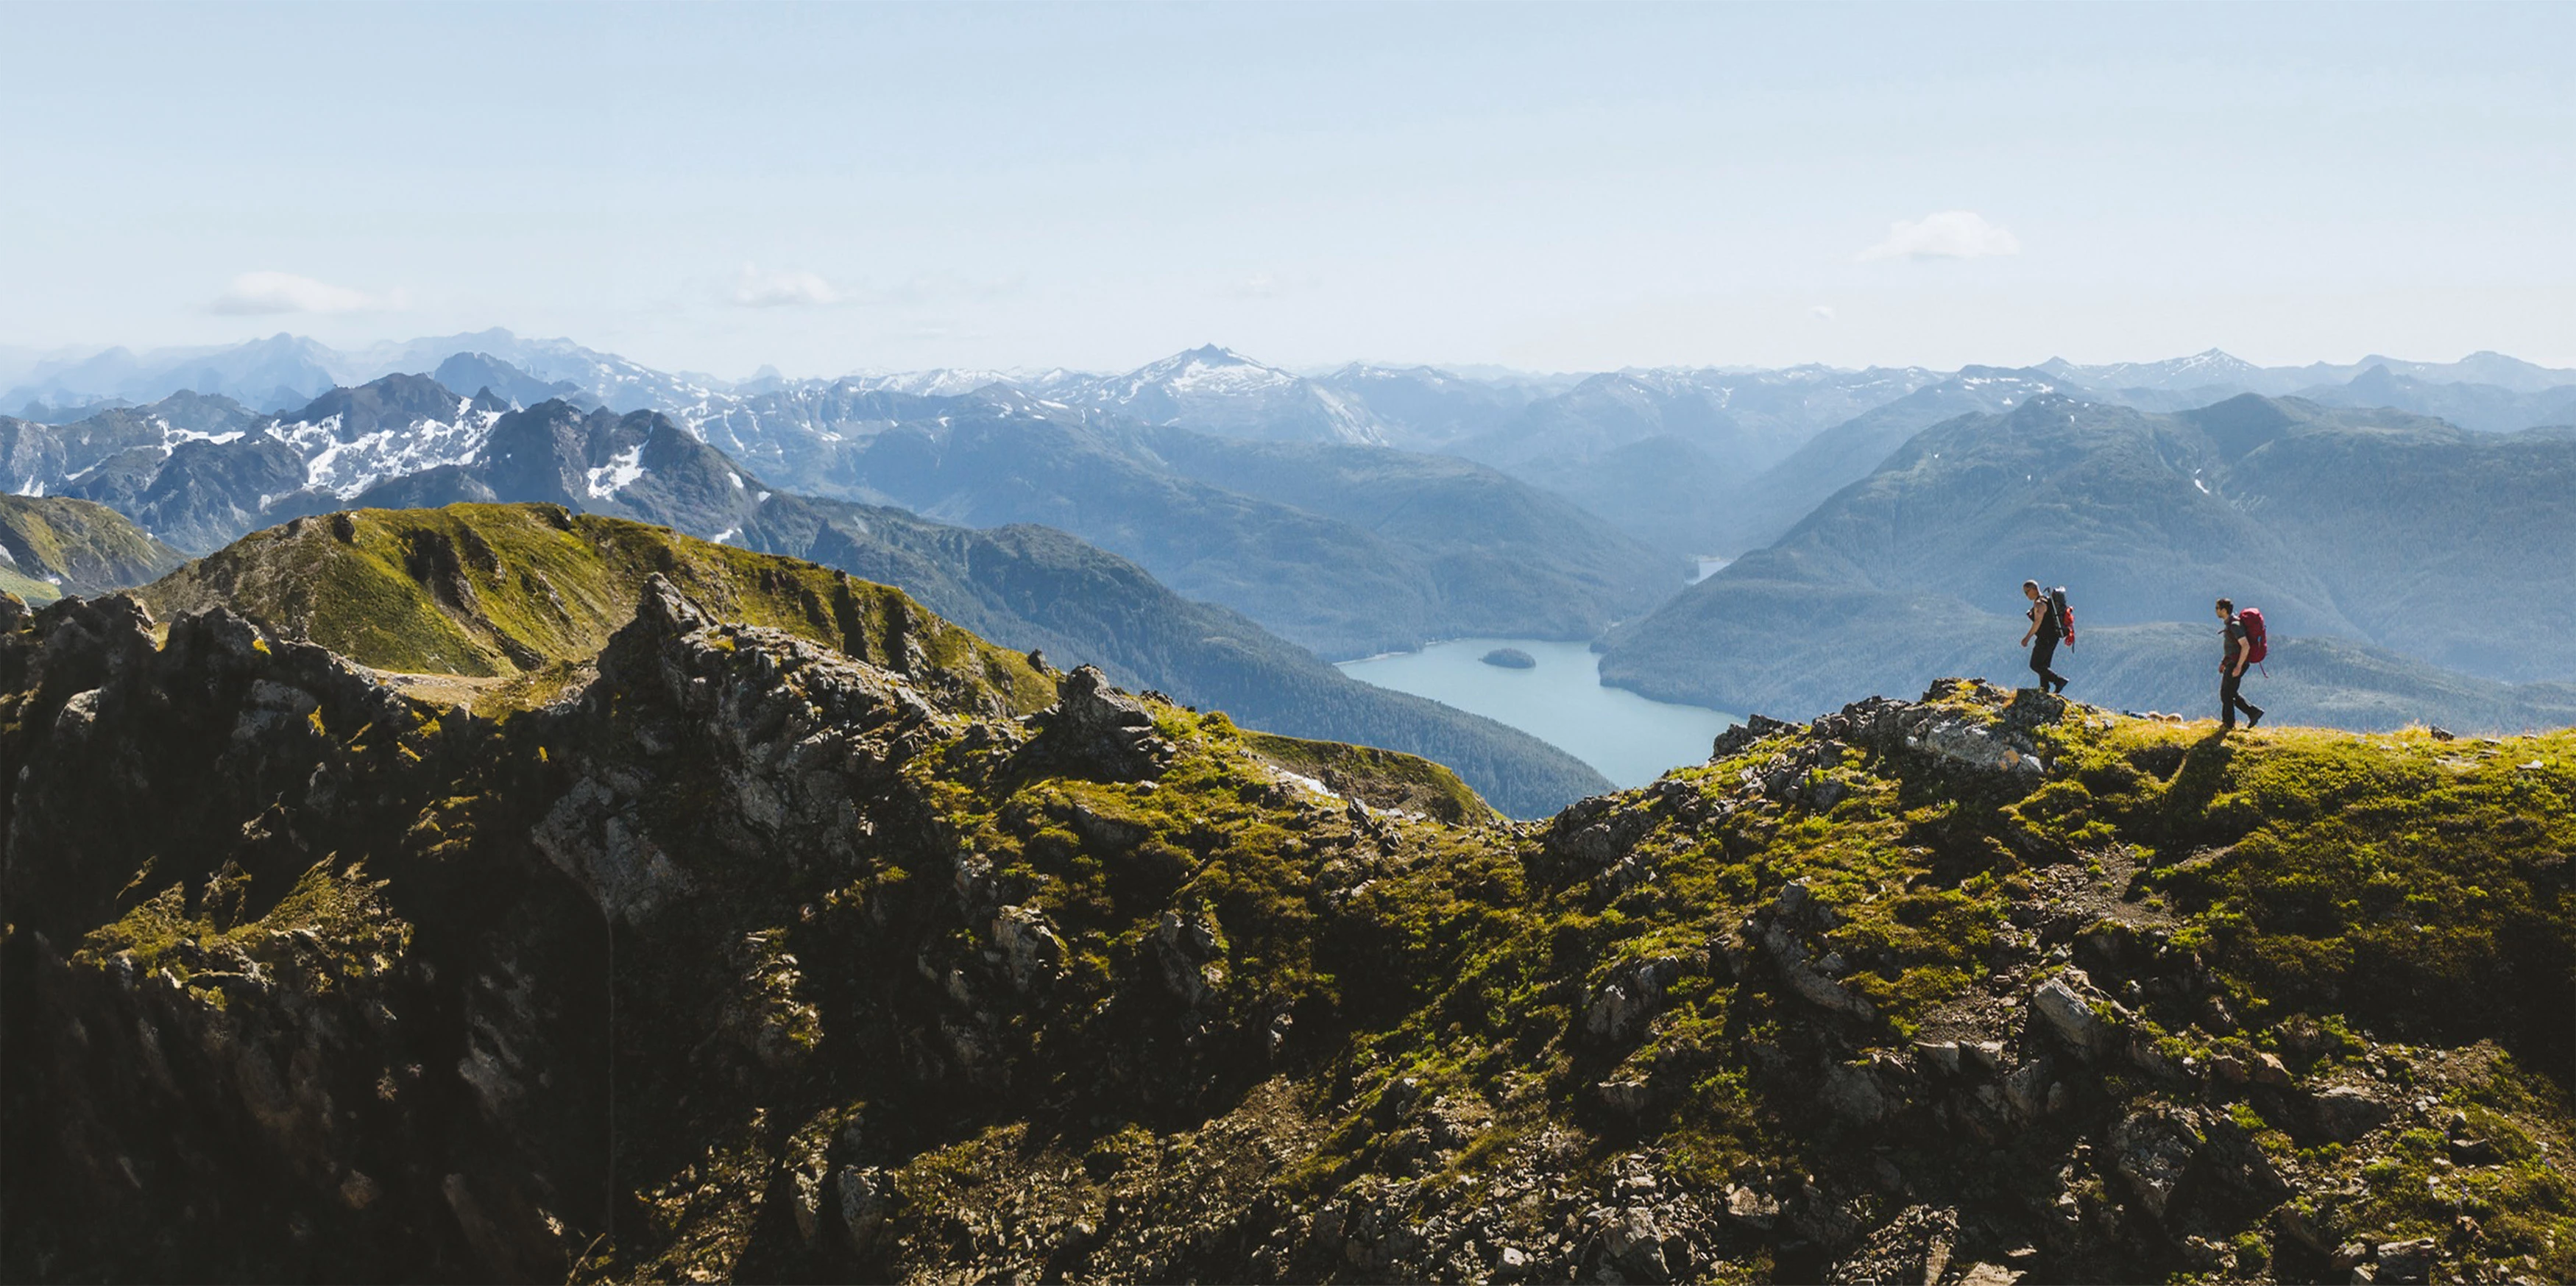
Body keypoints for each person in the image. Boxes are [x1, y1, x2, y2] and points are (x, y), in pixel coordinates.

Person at [2216, 597, 2264, 731]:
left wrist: (2238, 666)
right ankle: (2253, 713)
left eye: (2217, 608)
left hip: (2238, 664)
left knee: (2226, 694)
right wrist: (2224, 662)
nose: (2216, 611)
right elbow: (2233, 648)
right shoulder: (2230, 624)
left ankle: (2229, 724)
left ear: (2224, 610)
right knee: (2230, 693)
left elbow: (2245, 646)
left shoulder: (2234, 625)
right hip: (2233, 662)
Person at [2018, 579, 2067, 693]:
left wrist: (2027, 638)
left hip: (2045, 638)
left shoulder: (2039, 604)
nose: (2026, 595)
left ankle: (2058, 680)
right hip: (2053, 637)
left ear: (2034, 589)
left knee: (2035, 665)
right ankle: (2044, 689)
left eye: (2027, 591)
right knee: (2044, 665)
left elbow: (2037, 622)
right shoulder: (2047, 600)